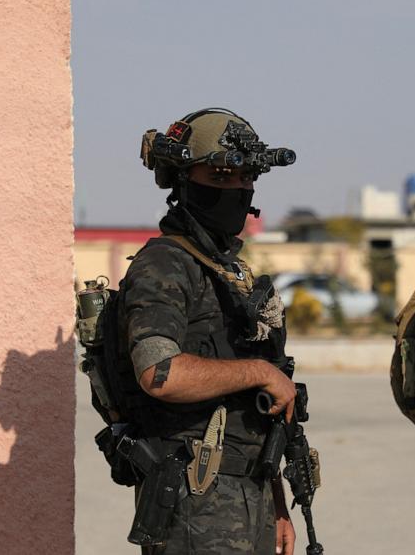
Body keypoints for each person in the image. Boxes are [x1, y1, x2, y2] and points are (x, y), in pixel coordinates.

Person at [118, 108, 298, 554]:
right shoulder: (165, 263)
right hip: (195, 501)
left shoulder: (229, 272)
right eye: (220, 177)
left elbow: (256, 417)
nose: (238, 190)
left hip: (246, 493)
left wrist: (277, 504)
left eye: (246, 178)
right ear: (182, 181)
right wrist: (259, 372)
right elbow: (160, 373)